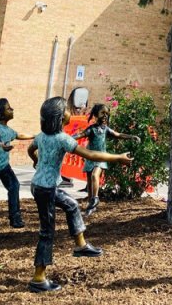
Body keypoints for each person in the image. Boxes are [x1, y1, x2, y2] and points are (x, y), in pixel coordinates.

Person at [27, 97, 133, 293]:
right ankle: (38, 278)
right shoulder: (62, 139)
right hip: (46, 189)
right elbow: (91, 155)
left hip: (40, 185)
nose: (70, 111)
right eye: (67, 109)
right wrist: (118, 157)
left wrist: (37, 162)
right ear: (60, 118)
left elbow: (30, 149)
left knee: (71, 205)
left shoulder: (42, 136)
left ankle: (81, 245)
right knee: (47, 232)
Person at [0, 98, 35, 244]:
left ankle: (15, 218)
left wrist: (36, 135)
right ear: (2, 115)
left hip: (4, 167)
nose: (12, 109)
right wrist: (2, 145)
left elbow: (19, 135)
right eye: (9, 108)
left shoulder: (9, 130)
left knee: (14, 186)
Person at [72, 103, 141, 216]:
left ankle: (95, 198)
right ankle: (91, 204)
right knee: (89, 181)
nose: (105, 116)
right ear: (95, 115)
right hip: (90, 157)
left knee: (95, 175)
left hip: (101, 157)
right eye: (102, 113)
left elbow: (118, 135)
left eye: (107, 114)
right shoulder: (92, 129)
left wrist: (131, 136)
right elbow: (81, 134)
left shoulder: (106, 129)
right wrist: (67, 138)